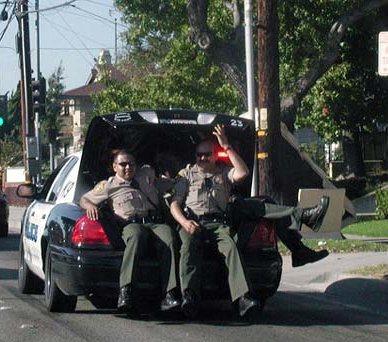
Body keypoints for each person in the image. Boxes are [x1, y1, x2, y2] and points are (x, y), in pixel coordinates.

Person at [170, 124, 330, 319]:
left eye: (207, 154)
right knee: (188, 246)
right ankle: (190, 296)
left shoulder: (223, 172)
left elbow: (243, 173)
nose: (202, 158)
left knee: (231, 247)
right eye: (199, 155)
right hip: (193, 222)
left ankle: (243, 298)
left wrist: (227, 146)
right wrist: (185, 222)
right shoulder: (185, 175)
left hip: (219, 223)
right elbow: (174, 204)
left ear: (215, 154)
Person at [79, 149, 181, 313]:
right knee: (136, 237)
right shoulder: (108, 185)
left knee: (169, 237)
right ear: (114, 167)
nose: (128, 167)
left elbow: (164, 184)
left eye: (131, 164)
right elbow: (84, 199)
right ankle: (126, 291)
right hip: (130, 224)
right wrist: (90, 206)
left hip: (154, 222)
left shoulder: (145, 174)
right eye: (123, 164)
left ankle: (170, 293)